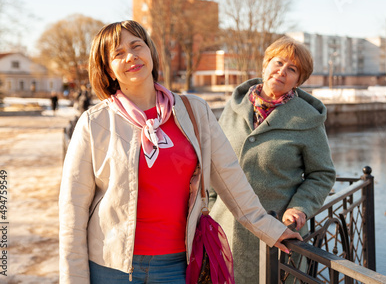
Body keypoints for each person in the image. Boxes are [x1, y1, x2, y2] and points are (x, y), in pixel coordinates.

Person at [58, 20, 301, 284]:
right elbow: (73, 211)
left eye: (136, 45)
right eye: (118, 54)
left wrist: (268, 228)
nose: (131, 56)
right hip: (110, 268)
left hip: (176, 266)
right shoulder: (95, 123)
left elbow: (230, 177)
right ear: (108, 70)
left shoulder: (194, 111)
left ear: (150, 51)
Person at [210, 36, 336, 283]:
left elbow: (322, 174)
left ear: (298, 81)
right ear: (265, 65)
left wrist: (300, 207)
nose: (281, 72)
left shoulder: (307, 119)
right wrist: (210, 207)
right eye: (277, 63)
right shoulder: (234, 107)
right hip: (225, 228)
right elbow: (213, 160)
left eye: (292, 69)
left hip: (277, 232)